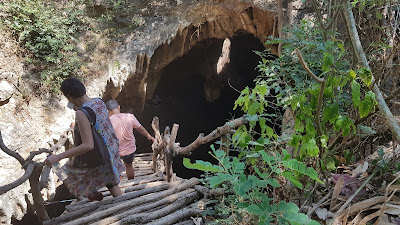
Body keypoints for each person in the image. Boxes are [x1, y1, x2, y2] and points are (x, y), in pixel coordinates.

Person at [45, 78, 125, 201]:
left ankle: (91, 193)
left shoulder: (82, 113)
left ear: (69, 96)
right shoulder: (99, 102)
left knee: (70, 172)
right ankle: (114, 201)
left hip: (99, 154)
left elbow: (88, 145)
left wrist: (58, 156)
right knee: (110, 181)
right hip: (109, 148)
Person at [106, 99, 155, 180]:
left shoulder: (108, 121)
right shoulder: (130, 117)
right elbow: (141, 129)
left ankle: (118, 180)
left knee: (114, 165)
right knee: (129, 166)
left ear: (107, 111)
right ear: (119, 107)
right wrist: (149, 136)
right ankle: (130, 180)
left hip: (115, 151)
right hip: (129, 150)